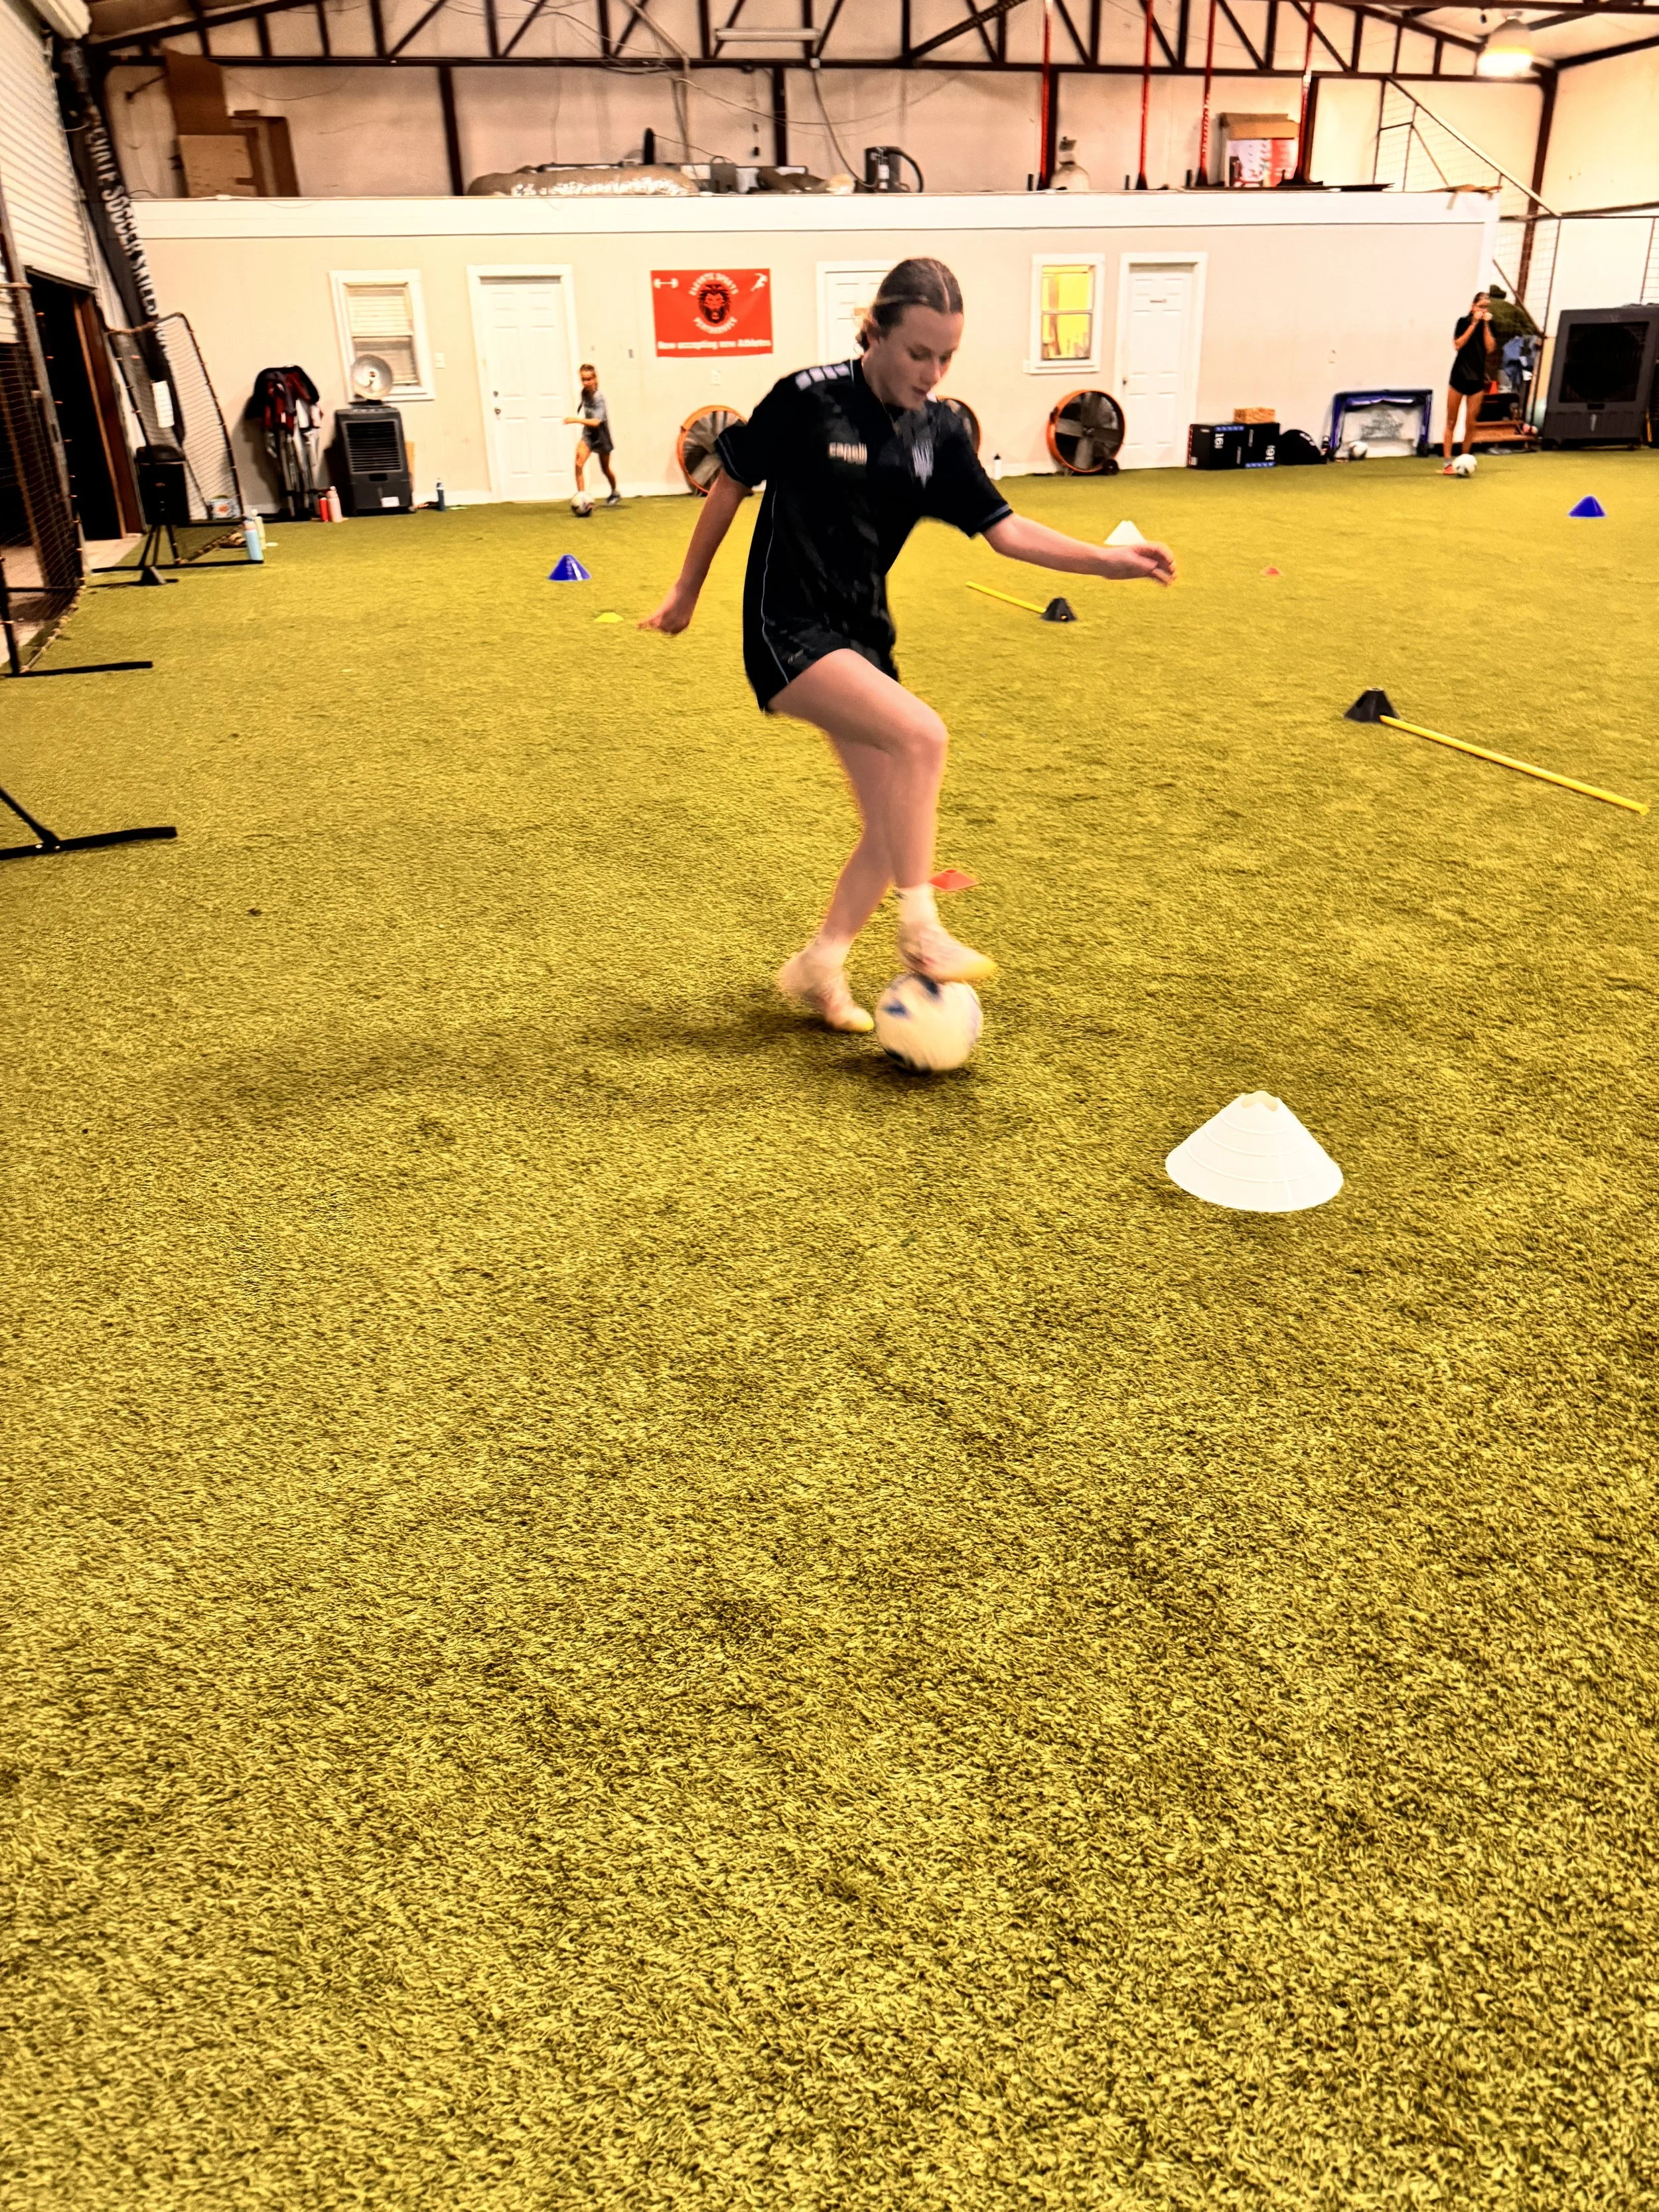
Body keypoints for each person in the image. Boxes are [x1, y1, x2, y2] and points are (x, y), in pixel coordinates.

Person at [639, 257, 1175, 1032]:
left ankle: (819, 965)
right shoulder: (806, 398)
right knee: (925, 734)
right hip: (785, 629)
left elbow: (1006, 530)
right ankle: (921, 930)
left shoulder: (941, 430)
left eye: (946, 356)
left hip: (862, 641)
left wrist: (1107, 559)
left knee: (894, 832)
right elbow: (728, 482)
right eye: (918, 353)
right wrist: (686, 592)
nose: (931, 371)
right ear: (878, 334)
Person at [1443, 292, 1496, 471]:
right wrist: (1474, 323)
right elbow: (1458, 344)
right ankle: (1447, 462)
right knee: (1451, 421)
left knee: (1471, 423)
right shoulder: (1463, 322)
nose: (1484, 310)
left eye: (1487, 307)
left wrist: (1485, 325)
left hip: (1477, 379)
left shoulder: (1488, 325)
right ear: (1473, 307)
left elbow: (1490, 348)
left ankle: (1464, 458)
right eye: (1481, 306)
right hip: (1458, 377)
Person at [567, 364, 619, 508]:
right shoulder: (584, 393)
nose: (586, 383)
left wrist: (575, 420)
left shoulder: (599, 398)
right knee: (578, 463)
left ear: (595, 378)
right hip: (589, 434)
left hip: (601, 436)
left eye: (589, 379)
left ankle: (615, 492)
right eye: (583, 379)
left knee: (605, 469)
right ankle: (583, 500)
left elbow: (596, 422)